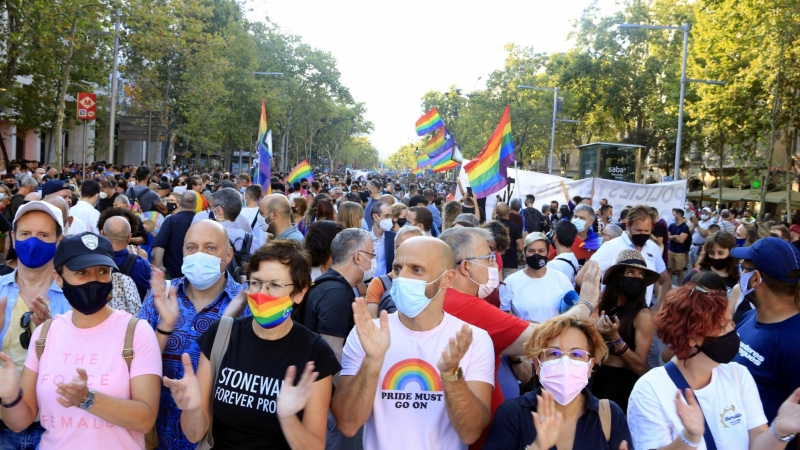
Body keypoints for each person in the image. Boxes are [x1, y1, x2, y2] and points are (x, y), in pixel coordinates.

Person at [163, 239, 339, 449]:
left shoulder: (315, 353)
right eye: (255, 283)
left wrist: (288, 419)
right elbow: (194, 435)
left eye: (274, 285)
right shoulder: (222, 334)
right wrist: (191, 408)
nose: (261, 293)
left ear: (299, 293)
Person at [0, 232, 161, 449]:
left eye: (102, 271)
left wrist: (88, 398)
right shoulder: (45, 334)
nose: (93, 280)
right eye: (82, 272)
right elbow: (20, 421)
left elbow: (145, 419)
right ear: (59, 278)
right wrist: (10, 397)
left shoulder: (136, 332)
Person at [331, 237, 495, 449]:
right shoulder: (368, 335)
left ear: (447, 279)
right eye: (397, 268)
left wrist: (452, 375)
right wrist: (372, 361)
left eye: (416, 270)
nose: (402, 278)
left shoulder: (474, 340)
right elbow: (348, 425)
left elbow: (470, 432)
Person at [627, 281, 800, 450]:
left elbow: (757, 442)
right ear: (692, 338)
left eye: (731, 323)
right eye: (723, 326)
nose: (733, 331)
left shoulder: (738, 375)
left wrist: (779, 430)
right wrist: (689, 439)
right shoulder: (650, 390)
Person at [138, 220, 244, 449]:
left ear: (227, 255)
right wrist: (165, 328)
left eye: (210, 248)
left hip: (214, 438)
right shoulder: (161, 295)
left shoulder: (244, 305)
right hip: (155, 434)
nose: (199, 255)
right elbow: (135, 366)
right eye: (192, 248)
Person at [483, 315, 632, 450]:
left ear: (590, 365)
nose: (565, 363)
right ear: (537, 364)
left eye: (576, 354)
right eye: (554, 353)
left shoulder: (610, 415)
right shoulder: (512, 415)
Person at [0, 201, 71, 447]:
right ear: (13, 236)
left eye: (43, 235)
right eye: (25, 234)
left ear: (58, 240)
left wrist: (56, 334)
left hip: (56, 426)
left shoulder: (75, 297)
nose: (33, 242)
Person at [732, 238, 800, 449]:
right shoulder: (748, 318)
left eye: (744, 269)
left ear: (756, 279)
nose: (740, 274)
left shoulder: (794, 343)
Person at [591, 249, 658, 412]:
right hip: (596, 377)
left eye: (641, 275)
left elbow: (638, 364)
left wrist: (615, 337)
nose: (636, 278)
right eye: (630, 272)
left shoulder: (642, 314)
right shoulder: (605, 305)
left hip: (620, 384)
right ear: (619, 276)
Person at [576, 204, 670, 311]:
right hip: (611, 318)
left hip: (641, 318)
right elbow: (581, 277)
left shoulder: (652, 248)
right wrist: (603, 298)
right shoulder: (612, 246)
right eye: (638, 231)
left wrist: (657, 307)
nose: (643, 234)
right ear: (628, 226)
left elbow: (665, 281)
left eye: (647, 231)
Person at [502, 232, 574, 323]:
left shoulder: (561, 278)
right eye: (531, 251)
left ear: (548, 253)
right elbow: (503, 315)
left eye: (541, 251)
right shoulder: (510, 282)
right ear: (524, 252)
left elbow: (572, 309)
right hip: (525, 335)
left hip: (554, 334)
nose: (536, 255)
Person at [364, 226, 423, 318]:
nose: (406, 251)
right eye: (401, 247)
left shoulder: (430, 281)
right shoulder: (379, 284)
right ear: (395, 250)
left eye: (413, 246)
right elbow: (372, 320)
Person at [102, 216, 152, 302]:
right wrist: (145, 261)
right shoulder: (141, 264)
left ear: (102, 234)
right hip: (133, 314)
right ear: (129, 237)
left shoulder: (93, 262)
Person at [153, 191, 197, 278]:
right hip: (194, 272)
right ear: (195, 205)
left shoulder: (171, 220)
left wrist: (159, 266)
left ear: (179, 202)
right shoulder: (199, 221)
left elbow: (159, 244)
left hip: (172, 271)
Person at [211, 188, 255, 254]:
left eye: (210, 207)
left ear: (218, 210)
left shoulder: (209, 236)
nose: (209, 210)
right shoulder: (252, 240)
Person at [495, 203, 523, 279]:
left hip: (495, 262)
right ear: (508, 210)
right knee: (511, 287)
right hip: (511, 262)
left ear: (496, 212)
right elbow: (521, 247)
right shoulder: (514, 226)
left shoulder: (493, 226)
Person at [368, 202, 395, 278]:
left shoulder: (393, 236)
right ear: (375, 217)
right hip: (368, 281)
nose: (389, 220)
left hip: (386, 281)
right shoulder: (364, 237)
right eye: (386, 216)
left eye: (390, 216)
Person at [668, 208, 691, 282]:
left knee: (679, 271)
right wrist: (675, 236)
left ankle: (679, 287)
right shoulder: (671, 225)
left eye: (674, 214)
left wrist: (672, 237)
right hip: (670, 250)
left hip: (680, 252)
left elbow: (681, 240)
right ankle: (668, 287)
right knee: (669, 269)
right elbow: (667, 237)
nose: (673, 216)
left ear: (679, 215)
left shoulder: (684, 227)